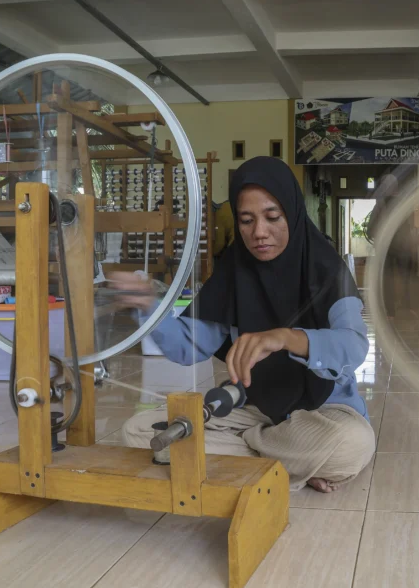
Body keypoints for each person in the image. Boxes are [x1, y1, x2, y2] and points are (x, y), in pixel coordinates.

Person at [111, 156, 375, 493]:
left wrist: (285, 338)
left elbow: (354, 346)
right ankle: (286, 460)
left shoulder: (328, 270)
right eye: (246, 221)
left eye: (272, 217)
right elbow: (189, 346)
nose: (259, 233)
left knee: (351, 444)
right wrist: (149, 305)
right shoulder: (234, 273)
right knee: (139, 431)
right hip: (253, 408)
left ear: (292, 213)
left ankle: (250, 456)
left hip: (323, 411)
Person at [366, 173, 417, 318]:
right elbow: (411, 225)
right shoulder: (404, 201)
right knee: (405, 277)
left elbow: (370, 229)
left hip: (386, 246)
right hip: (402, 246)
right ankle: (406, 306)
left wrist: (377, 234)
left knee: (386, 278)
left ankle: (389, 310)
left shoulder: (380, 203)